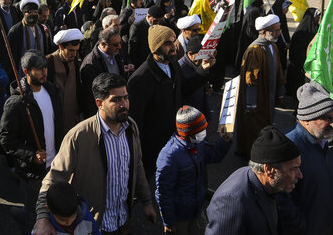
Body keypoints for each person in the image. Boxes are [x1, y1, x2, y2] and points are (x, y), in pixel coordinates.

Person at [33, 73, 155, 235]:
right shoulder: (79, 136)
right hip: (93, 225)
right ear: (99, 103)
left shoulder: (130, 127)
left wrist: (146, 202)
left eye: (125, 98)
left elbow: (137, 166)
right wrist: (42, 218)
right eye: (116, 100)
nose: (124, 104)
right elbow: (53, 179)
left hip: (123, 220)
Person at [0, 50, 64, 232]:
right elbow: (5, 139)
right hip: (33, 172)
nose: (44, 72)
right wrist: (30, 154)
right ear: (26, 72)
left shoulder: (50, 89)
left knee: (53, 209)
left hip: (55, 165)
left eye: (45, 68)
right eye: (39, 69)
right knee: (34, 216)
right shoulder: (16, 103)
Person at [205, 126, 302, 235]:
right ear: (269, 170)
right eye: (293, 169)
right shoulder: (233, 201)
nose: (300, 175)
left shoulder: (271, 185)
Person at [155, 106, 232, 234]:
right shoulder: (169, 157)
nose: (204, 133)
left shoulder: (197, 143)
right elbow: (163, 193)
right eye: (200, 131)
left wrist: (224, 141)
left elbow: (213, 156)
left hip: (196, 209)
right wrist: (169, 222)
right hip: (180, 217)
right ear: (187, 132)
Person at [277, 80, 333, 234]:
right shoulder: (289, 149)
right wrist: (302, 228)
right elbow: (282, 200)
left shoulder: (322, 142)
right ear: (307, 119)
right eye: (327, 118)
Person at [127, 24, 183, 176]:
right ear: (156, 48)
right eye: (167, 43)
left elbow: (184, 90)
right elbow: (135, 121)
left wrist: (202, 72)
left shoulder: (173, 65)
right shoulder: (140, 79)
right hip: (154, 152)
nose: (173, 47)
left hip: (174, 140)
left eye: (173, 41)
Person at [235, 14, 285, 157]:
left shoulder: (272, 47)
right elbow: (251, 79)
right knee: (255, 128)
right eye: (274, 31)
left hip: (268, 96)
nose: (277, 33)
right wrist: (251, 104)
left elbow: (278, 71)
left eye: (278, 30)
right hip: (257, 100)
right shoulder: (255, 50)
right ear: (263, 32)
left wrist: (280, 92)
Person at [47, 29, 92, 131]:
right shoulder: (49, 61)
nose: (74, 54)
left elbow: (77, 85)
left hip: (72, 114)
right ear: (61, 47)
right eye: (71, 50)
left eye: (76, 50)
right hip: (57, 115)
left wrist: (77, 111)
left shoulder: (74, 59)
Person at [80, 27, 125, 101]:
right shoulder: (90, 64)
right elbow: (90, 95)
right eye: (116, 45)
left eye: (120, 43)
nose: (119, 47)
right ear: (103, 44)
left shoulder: (116, 53)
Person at [7, 0, 49, 73]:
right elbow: (11, 55)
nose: (33, 14)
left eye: (35, 12)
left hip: (41, 69)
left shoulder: (40, 28)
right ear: (24, 13)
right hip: (23, 71)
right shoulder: (16, 30)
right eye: (29, 12)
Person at [286, 7, 320, 98]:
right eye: (317, 16)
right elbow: (296, 50)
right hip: (300, 65)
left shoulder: (316, 28)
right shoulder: (301, 33)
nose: (319, 19)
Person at [178, 36, 216, 113]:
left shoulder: (199, 63)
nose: (204, 59)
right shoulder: (180, 68)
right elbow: (185, 90)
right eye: (202, 55)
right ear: (190, 54)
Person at [271, 0, 291, 69]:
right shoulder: (272, 18)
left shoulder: (282, 17)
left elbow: (285, 31)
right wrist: (283, 43)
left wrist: (287, 42)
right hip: (276, 47)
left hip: (283, 48)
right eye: (286, 8)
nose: (287, 10)